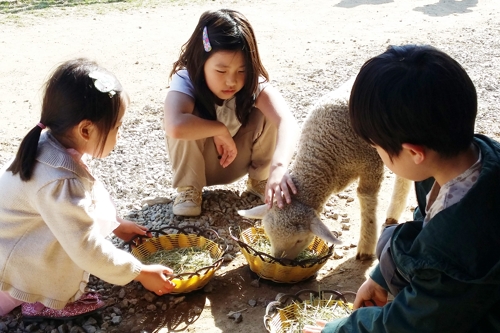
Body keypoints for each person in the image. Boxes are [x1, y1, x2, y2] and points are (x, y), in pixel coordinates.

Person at [304, 45, 500, 332]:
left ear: (414, 153)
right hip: (464, 277)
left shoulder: (456, 245)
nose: (379, 156)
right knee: (390, 240)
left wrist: (341, 329)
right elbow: (427, 223)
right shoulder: (470, 157)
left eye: (378, 149)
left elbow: (411, 324)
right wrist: (380, 276)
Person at [0, 58, 175, 320]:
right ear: (85, 129)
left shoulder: (50, 144)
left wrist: (116, 224)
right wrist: (139, 272)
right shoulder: (60, 180)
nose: (118, 135)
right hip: (16, 259)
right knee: (75, 244)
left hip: (13, 244)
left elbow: (84, 203)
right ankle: (41, 299)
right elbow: (85, 247)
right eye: (116, 127)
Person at [163, 9, 299, 216]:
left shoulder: (253, 84)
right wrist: (218, 129)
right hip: (201, 166)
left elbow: (287, 122)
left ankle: (260, 180)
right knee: (184, 118)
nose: (231, 81)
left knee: (268, 112)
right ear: (201, 62)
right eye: (221, 71)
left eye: (242, 70)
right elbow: (174, 126)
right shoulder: (186, 79)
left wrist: (279, 167)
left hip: (238, 161)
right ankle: (189, 189)